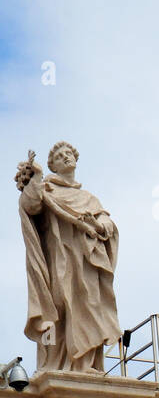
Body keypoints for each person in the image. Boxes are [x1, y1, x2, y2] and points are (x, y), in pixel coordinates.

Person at [16, 143, 121, 372]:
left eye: (69, 154)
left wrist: (98, 225)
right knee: (59, 308)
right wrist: (35, 177)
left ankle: (86, 364)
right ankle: (57, 364)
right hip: (59, 259)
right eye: (59, 156)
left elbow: (107, 223)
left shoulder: (89, 198)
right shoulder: (47, 191)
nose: (65, 157)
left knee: (90, 305)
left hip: (87, 262)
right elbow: (30, 206)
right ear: (52, 166)